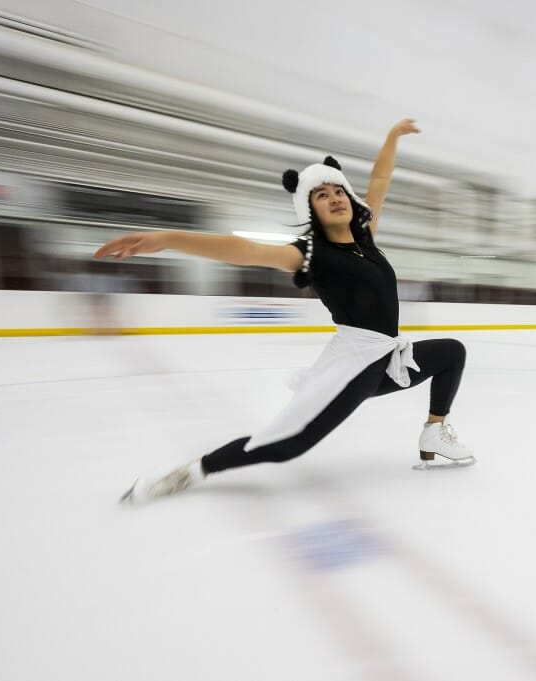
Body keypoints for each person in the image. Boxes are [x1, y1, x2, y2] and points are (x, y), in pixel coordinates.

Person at [94, 119, 475, 504]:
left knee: (451, 352)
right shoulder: (311, 254)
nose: (334, 198)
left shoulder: (366, 239)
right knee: (288, 445)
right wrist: (167, 239)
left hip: (387, 355)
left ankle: (434, 431)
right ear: (311, 209)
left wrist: (392, 138)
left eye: (338, 190)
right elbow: (245, 250)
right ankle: (192, 470)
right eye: (321, 195)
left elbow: (380, 181)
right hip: (356, 363)